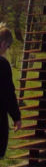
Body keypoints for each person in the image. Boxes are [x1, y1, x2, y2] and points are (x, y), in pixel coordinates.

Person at [0, 24, 21, 158]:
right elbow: (8, 95)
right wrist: (16, 117)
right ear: (3, 44)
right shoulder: (2, 64)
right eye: (8, 47)